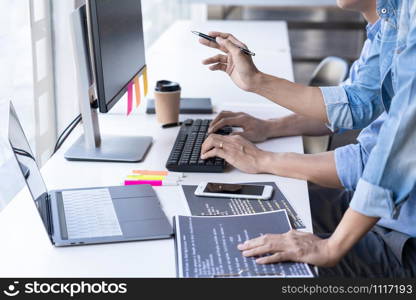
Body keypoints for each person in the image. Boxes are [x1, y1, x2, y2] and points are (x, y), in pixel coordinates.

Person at [198, 0, 416, 277]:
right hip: (381, 209)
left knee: (244, 269)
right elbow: (356, 103)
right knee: (243, 212)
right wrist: (264, 110)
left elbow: (386, 162)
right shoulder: (391, 18)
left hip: (404, 237)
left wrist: (266, 160)